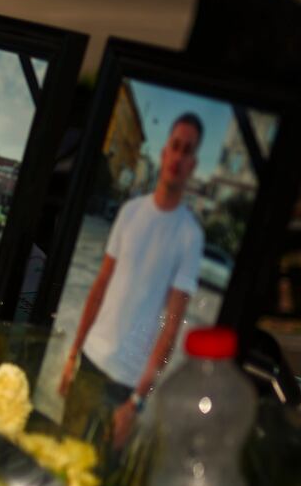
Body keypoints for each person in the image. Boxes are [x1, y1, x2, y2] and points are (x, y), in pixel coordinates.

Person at [57, 112, 206, 448]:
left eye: (188, 151)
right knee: (63, 461)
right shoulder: (131, 212)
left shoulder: (188, 236)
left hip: (126, 384)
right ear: (165, 151)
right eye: (176, 146)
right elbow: (100, 286)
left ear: (193, 164)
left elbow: (171, 327)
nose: (179, 157)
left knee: (102, 481)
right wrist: (73, 355)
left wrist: (138, 400)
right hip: (91, 363)